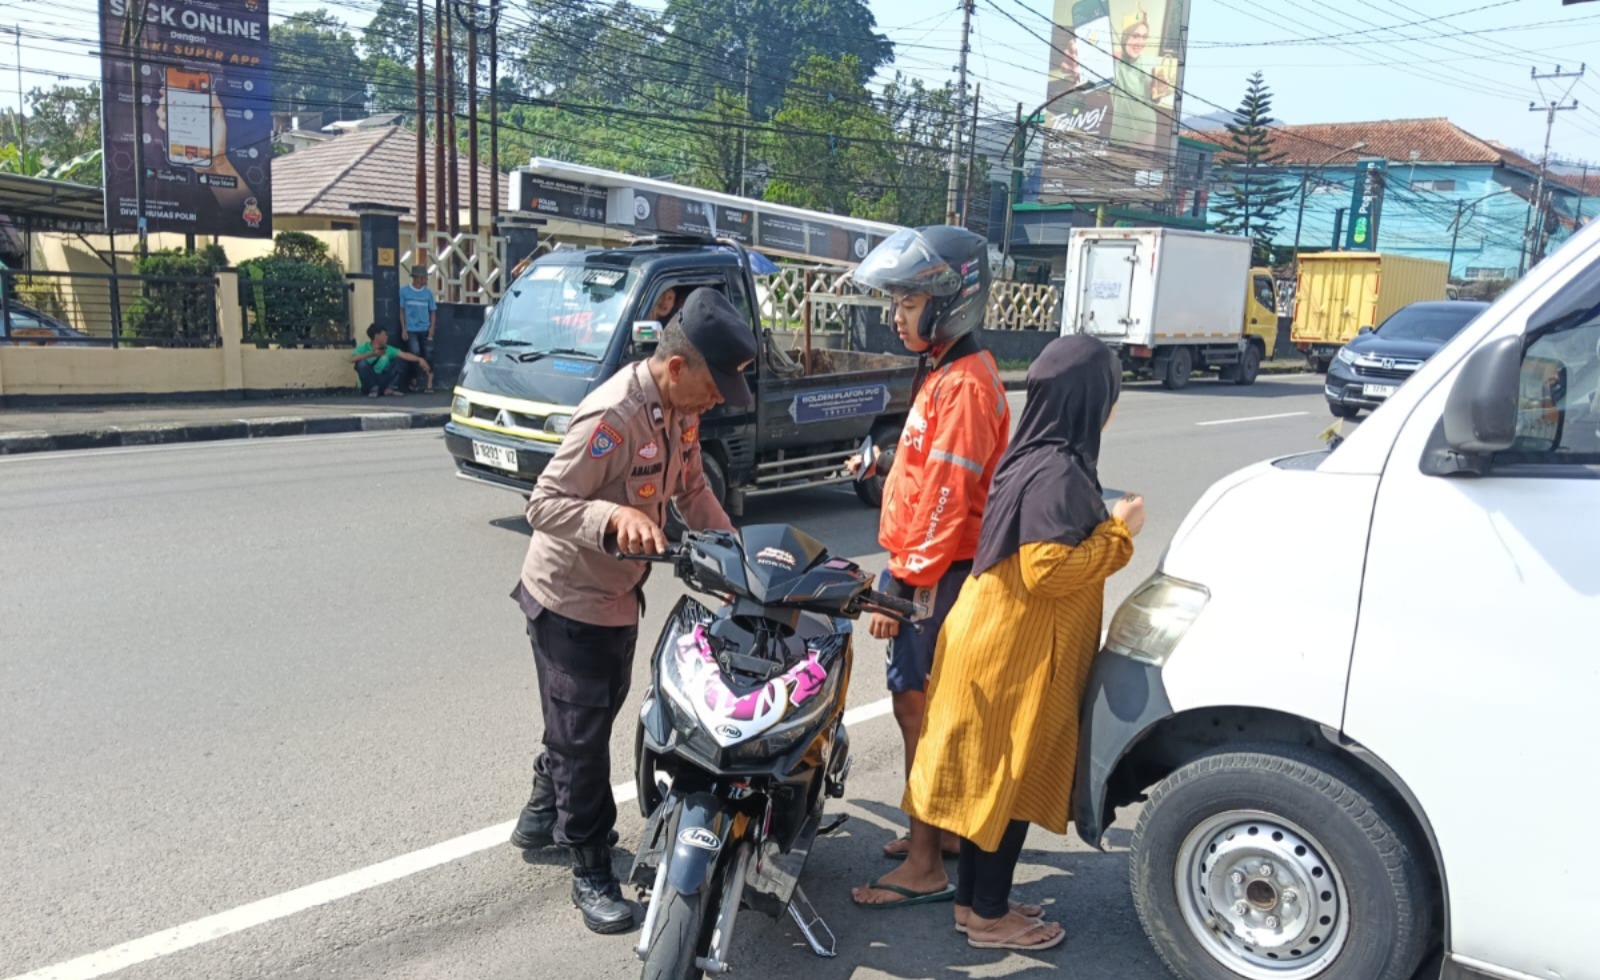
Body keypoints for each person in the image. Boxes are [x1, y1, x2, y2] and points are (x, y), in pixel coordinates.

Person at [508, 287, 756, 934]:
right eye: (713, 387)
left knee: (584, 721)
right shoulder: (613, 416)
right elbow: (545, 502)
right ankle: (589, 866)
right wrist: (613, 513)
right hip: (570, 601)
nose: (716, 401)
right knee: (585, 739)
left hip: (618, 595)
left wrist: (737, 563)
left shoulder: (680, 410)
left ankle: (541, 813)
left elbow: (693, 487)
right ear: (677, 368)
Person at [905, 334, 1144, 951]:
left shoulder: (1031, 453)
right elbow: (1046, 570)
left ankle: (974, 906)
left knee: (993, 780)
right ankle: (989, 918)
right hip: (1012, 654)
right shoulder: (1059, 467)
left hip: (990, 640)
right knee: (1006, 782)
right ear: (1090, 403)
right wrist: (1118, 534)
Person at [845, 227, 1012, 910]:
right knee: (916, 705)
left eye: (909, 301)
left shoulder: (967, 383)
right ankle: (936, 831)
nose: (896, 314)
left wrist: (904, 587)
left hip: (937, 574)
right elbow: (931, 473)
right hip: (924, 565)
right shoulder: (945, 372)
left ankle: (924, 864)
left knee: (923, 712)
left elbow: (948, 497)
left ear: (952, 300)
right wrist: (882, 465)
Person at [350, 324, 430, 397]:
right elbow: (352, 360)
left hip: (383, 380)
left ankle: (390, 388)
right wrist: (372, 354)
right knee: (361, 363)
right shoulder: (363, 347)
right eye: (384, 335)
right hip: (369, 383)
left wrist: (420, 359)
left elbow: (404, 355)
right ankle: (373, 389)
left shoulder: (388, 349)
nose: (387, 337)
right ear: (377, 336)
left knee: (400, 361)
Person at [400, 266, 437, 393]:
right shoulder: (404, 291)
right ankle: (413, 380)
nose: (425, 280)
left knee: (429, 354)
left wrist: (432, 328)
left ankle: (429, 384)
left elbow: (432, 312)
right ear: (417, 278)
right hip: (411, 328)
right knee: (414, 353)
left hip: (425, 328)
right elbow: (402, 311)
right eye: (423, 277)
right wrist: (403, 329)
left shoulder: (428, 293)